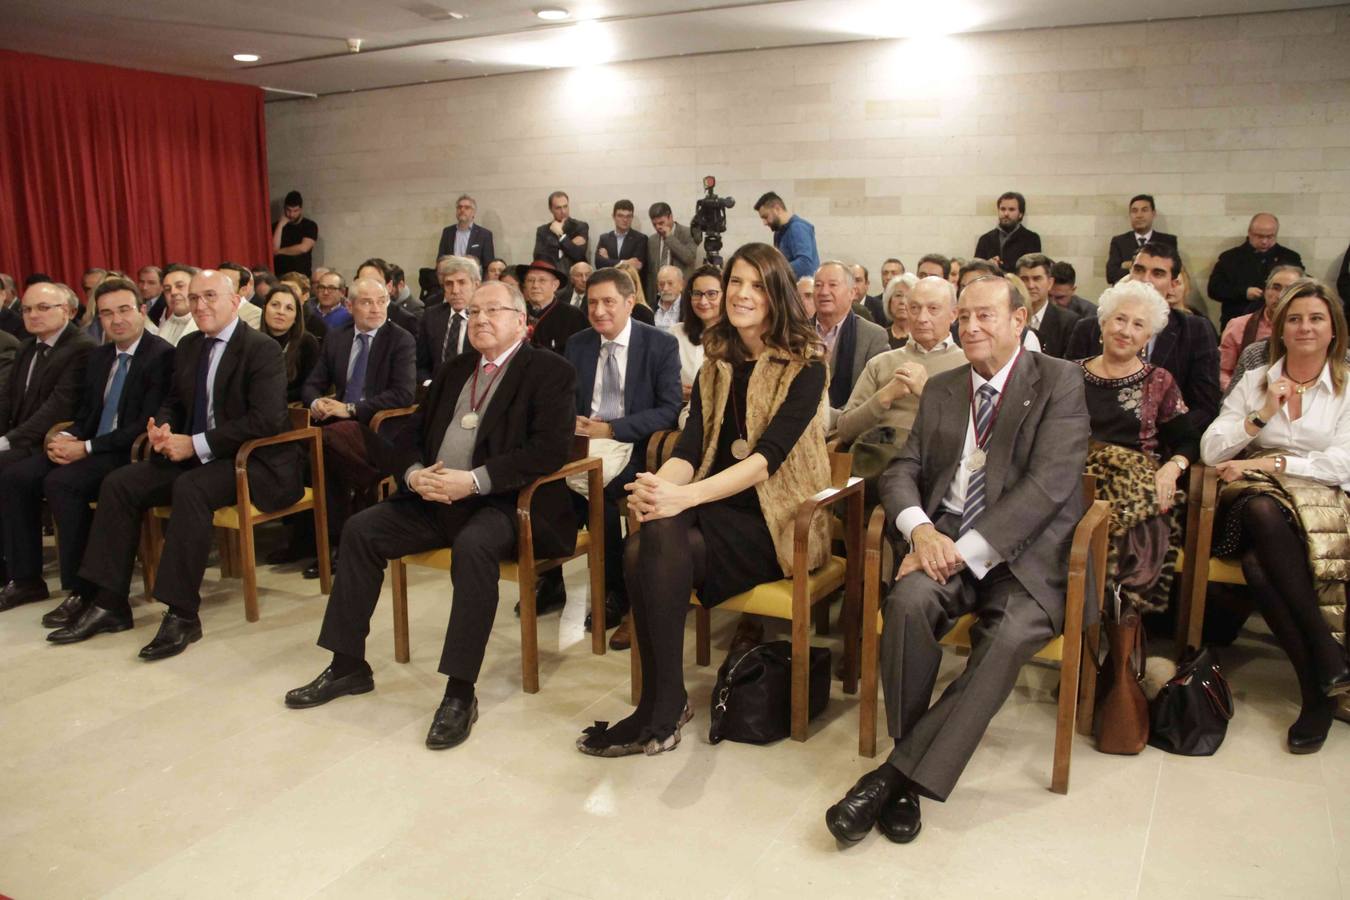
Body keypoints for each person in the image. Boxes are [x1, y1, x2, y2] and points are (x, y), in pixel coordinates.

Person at [825, 273, 1089, 846]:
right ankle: (910, 771)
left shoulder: (1059, 381)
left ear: (1019, 320)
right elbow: (902, 469)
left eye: (984, 315)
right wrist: (919, 531)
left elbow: (1048, 487)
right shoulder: (945, 387)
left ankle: (894, 779)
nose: (969, 326)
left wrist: (961, 552)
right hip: (941, 537)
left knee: (1007, 638)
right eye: (963, 316)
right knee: (908, 602)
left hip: (1026, 558)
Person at [285, 281, 578, 750]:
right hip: (434, 498)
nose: (480, 319)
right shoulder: (454, 368)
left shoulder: (551, 371)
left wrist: (476, 480)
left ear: (521, 323)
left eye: (494, 310)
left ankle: (460, 693)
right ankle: (347, 665)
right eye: (475, 311)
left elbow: (549, 450)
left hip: (505, 503)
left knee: (473, 546)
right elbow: (414, 433)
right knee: (362, 530)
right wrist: (414, 473)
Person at [576, 242, 830, 757]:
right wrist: (660, 487)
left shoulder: (806, 364)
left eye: (756, 284)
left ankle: (659, 706)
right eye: (735, 282)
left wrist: (680, 496)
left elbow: (766, 460)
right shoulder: (718, 363)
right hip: (714, 504)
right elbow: (690, 447)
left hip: (776, 516)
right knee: (648, 534)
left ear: (777, 292)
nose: (741, 294)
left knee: (648, 541)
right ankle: (661, 704)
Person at [65, 269, 303, 658]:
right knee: (121, 483)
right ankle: (109, 602)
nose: (200, 305)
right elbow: (174, 401)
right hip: (197, 454)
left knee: (189, 489)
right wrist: (162, 428)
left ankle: (182, 614)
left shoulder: (260, 348)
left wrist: (195, 444)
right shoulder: (190, 345)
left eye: (210, 296)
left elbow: (267, 420)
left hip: (252, 460)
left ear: (233, 302)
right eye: (194, 298)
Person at [1200, 278, 1350, 754]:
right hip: (1253, 504)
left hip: (1322, 500)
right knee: (1263, 510)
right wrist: (1263, 413)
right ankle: (1329, 655)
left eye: (1316, 318)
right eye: (1296, 319)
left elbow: (1344, 462)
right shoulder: (1255, 380)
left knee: (1259, 568)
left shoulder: (1347, 385)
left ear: (1333, 331)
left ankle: (1315, 692)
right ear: (1281, 329)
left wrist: (1271, 461)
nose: (1305, 327)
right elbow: (1210, 450)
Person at [2, 277, 172, 635]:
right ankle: (26, 577)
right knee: (17, 476)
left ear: (142, 311)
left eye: (124, 310)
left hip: (128, 451)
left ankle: (82, 587)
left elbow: (146, 422)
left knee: (62, 482)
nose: (116, 320)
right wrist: (67, 436)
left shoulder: (161, 355)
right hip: (93, 445)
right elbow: (87, 416)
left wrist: (87, 447)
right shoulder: (99, 356)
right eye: (107, 314)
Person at [556, 268, 682, 644]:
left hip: (634, 443)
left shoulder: (659, 345)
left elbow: (670, 409)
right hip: (584, 443)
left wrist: (612, 429)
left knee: (608, 498)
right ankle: (548, 582)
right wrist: (572, 420)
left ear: (630, 302)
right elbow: (562, 398)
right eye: (592, 303)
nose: (598, 311)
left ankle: (619, 596)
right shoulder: (577, 344)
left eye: (608, 302)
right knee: (546, 485)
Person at [1078, 280, 1199, 618]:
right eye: (1119, 319)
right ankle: (1081, 627)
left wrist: (1172, 467)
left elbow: (1189, 440)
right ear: (1102, 324)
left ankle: (1118, 626)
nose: (1126, 331)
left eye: (1138, 325)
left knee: (1139, 528)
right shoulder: (1066, 374)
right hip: (1075, 479)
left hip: (1138, 487)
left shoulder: (1160, 381)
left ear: (1148, 337)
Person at [299, 277, 416, 577]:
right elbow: (312, 384)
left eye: (381, 301)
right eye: (366, 302)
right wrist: (317, 404)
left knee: (322, 443)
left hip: (380, 430)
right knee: (326, 454)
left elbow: (404, 394)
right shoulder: (337, 337)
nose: (376, 308)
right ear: (350, 306)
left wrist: (350, 408)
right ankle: (345, 534)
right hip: (339, 430)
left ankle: (332, 543)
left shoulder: (400, 338)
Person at [0, 282, 98, 603]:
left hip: (55, 440)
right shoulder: (28, 346)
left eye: (43, 308)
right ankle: (14, 571)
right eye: (27, 309)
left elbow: (58, 409)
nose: (33, 315)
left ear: (68, 311)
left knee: (14, 475)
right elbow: (7, 401)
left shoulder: (81, 348)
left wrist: (6, 441)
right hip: (25, 441)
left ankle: (26, 577)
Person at [835, 276, 966, 504]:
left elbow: (971, 433)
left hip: (928, 466)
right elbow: (845, 430)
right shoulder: (881, 363)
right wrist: (884, 397)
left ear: (954, 314)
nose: (922, 317)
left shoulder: (968, 364)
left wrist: (926, 392)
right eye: (914, 308)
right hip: (874, 459)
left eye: (933, 309)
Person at [1066, 242, 1220, 429]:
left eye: (1158, 273)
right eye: (1139, 270)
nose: (1145, 279)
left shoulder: (1195, 330)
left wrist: (1162, 438)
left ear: (1173, 284)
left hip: (1164, 443)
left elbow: (1205, 407)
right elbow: (1067, 395)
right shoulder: (1089, 327)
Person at [813, 261, 889, 428]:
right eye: (818, 285)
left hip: (847, 430)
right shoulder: (795, 333)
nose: (824, 292)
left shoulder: (873, 337)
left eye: (833, 285)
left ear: (852, 292)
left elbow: (873, 399)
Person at [1207, 212, 1304, 328]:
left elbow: (1303, 286)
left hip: (1281, 321)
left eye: (1270, 236)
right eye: (1259, 236)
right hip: (1238, 319)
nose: (1264, 241)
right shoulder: (1230, 258)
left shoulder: (1290, 258)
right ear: (1250, 233)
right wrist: (1244, 292)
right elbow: (1214, 289)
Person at [1219, 265, 1304, 390]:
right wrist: (1238, 394)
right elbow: (1223, 371)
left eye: (1289, 289)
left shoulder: (1308, 330)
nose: (1280, 295)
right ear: (1265, 291)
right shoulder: (1239, 326)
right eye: (1275, 288)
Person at [416, 256, 480, 386]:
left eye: (462, 282)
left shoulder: (485, 317)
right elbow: (420, 364)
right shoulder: (431, 316)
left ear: (476, 285)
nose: (455, 291)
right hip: (435, 389)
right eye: (449, 284)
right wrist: (429, 383)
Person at [672, 264, 724, 405]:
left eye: (711, 294)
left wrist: (700, 394)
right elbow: (656, 380)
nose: (703, 301)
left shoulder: (737, 337)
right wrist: (674, 390)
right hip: (676, 410)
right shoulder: (675, 333)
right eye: (697, 294)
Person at [260, 284, 320, 404]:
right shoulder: (252, 341)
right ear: (264, 308)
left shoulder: (308, 343)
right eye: (275, 305)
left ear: (296, 316)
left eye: (289, 308)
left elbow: (310, 386)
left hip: (290, 408)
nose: (281, 312)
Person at [1015, 253, 1080, 358]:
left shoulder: (1068, 322)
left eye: (1037, 279)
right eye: (1024, 279)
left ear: (1050, 283)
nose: (1030, 285)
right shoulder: (1009, 318)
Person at [518, 259, 587, 356]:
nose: (535, 285)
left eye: (542, 280)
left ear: (555, 285)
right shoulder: (516, 313)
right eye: (530, 280)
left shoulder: (573, 316)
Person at [1105, 194, 1178, 285]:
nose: (1139, 215)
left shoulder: (1168, 241)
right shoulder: (1119, 241)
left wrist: (1128, 265)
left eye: (1144, 210)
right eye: (1134, 211)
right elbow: (1111, 275)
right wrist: (1153, 269)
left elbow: (1173, 273)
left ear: (1153, 214)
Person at [754, 192, 819, 279]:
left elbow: (805, 264)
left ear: (777, 209)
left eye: (766, 217)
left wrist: (773, 270)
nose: (764, 223)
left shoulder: (798, 228)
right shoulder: (778, 233)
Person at [973, 191, 1041, 272]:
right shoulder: (985, 239)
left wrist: (1000, 267)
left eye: (1011, 209)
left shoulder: (1031, 239)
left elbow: (1032, 270)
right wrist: (988, 266)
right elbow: (975, 271)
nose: (1006, 213)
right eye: (1002, 209)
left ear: (1021, 214)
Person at [645, 202, 702, 298]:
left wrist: (669, 238)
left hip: (682, 294)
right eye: (654, 224)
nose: (658, 227)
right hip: (659, 295)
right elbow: (651, 272)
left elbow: (689, 258)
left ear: (670, 217)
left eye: (661, 223)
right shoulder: (652, 240)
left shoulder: (688, 233)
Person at [436, 194, 495, 272]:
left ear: (473, 212)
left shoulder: (484, 234)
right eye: (459, 207)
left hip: (474, 280)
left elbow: (488, 265)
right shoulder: (447, 232)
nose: (462, 210)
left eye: (467, 208)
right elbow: (440, 259)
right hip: (451, 277)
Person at [533, 190, 589, 271]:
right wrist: (570, 244)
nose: (563, 211)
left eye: (565, 206)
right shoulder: (542, 231)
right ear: (551, 209)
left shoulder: (580, 226)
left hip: (574, 278)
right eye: (558, 208)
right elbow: (539, 258)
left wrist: (561, 235)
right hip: (551, 275)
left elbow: (578, 255)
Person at [272, 190, 319, 279]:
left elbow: (303, 248)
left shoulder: (309, 225)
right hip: (279, 275)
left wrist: (279, 252)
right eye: (288, 210)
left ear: (301, 209)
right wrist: (280, 225)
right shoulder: (276, 226)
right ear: (284, 208)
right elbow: (273, 248)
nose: (291, 214)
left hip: (301, 276)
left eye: (295, 211)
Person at [595, 199, 648, 276]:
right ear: (613, 216)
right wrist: (624, 263)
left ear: (632, 217)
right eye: (620, 216)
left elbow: (635, 267)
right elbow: (599, 263)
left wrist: (608, 260)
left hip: (630, 285)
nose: (625, 220)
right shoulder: (604, 238)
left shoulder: (641, 239)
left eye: (628, 216)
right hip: (609, 284)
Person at [155, 264, 200, 346]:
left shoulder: (205, 325)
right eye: (167, 289)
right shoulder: (164, 326)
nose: (173, 292)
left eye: (180, 286)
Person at [616, 259, 656, 327]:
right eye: (616, 283)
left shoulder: (643, 313)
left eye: (625, 284)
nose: (620, 288)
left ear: (636, 286)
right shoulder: (606, 310)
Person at [882, 274, 917, 349]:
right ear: (889, 301)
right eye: (898, 295)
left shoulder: (923, 337)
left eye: (908, 296)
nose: (902, 301)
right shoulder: (880, 337)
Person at [651, 265, 685, 333]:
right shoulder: (650, 309)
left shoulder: (689, 309)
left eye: (670, 283)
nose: (665, 288)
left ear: (681, 285)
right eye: (661, 284)